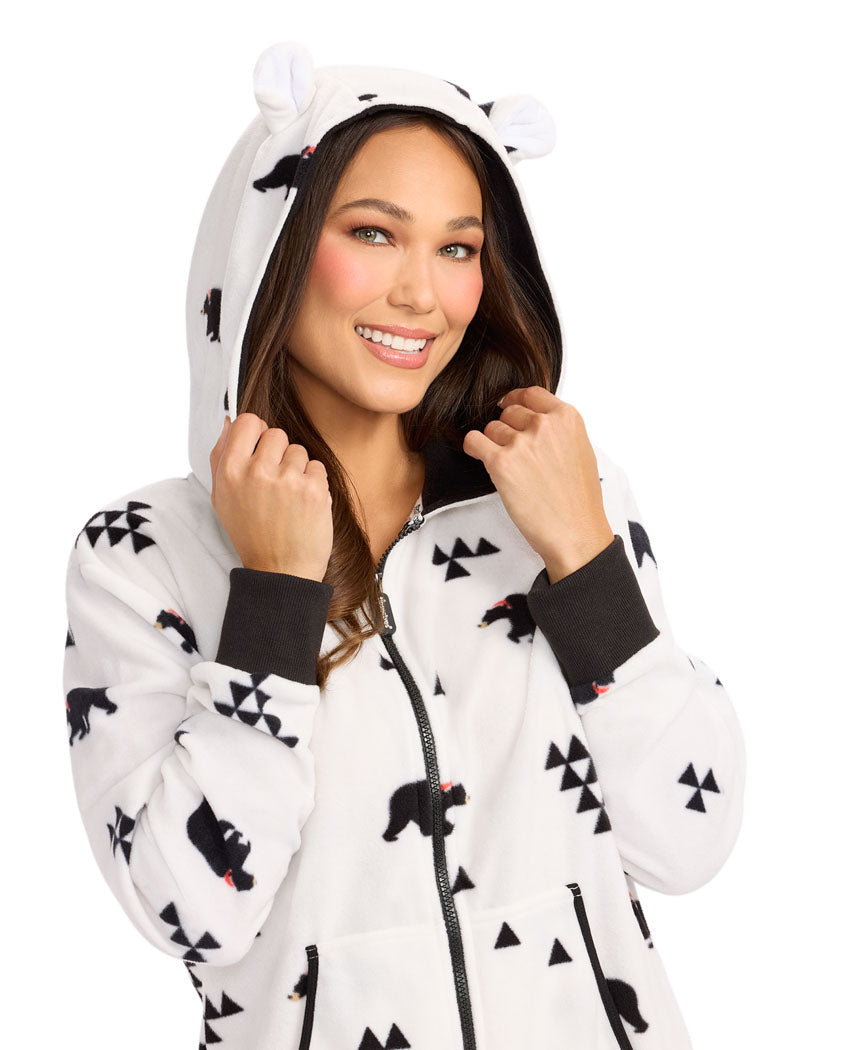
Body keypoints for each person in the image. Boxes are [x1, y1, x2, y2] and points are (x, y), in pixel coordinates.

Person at [62, 40, 746, 1050]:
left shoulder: (558, 498)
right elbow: (193, 911)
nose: (422, 295)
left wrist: (584, 555)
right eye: (374, 233)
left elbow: (691, 843)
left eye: (459, 249)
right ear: (271, 243)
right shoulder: (145, 555)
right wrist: (275, 595)